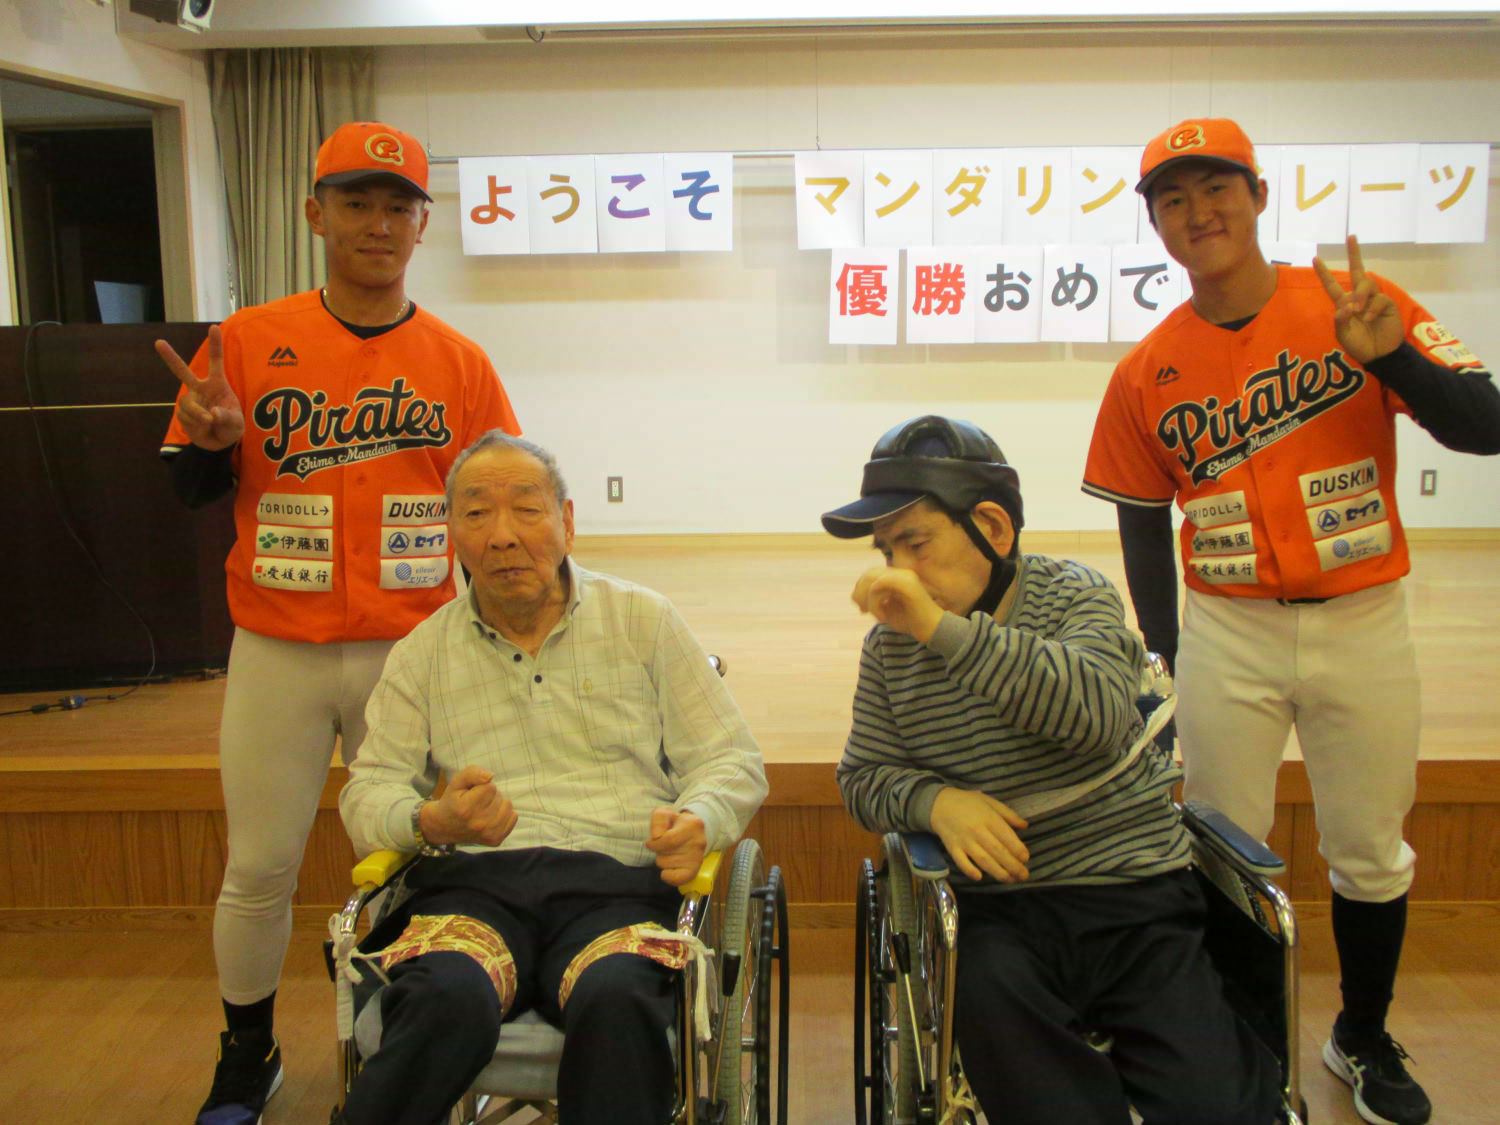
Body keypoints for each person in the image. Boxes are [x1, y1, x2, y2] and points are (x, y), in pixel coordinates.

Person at [1082, 117, 1500, 1125]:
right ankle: (1250, 1048)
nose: (1198, 213)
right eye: (1173, 198)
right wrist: (1166, 653)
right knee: (1224, 844)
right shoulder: (1147, 368)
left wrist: (1393, 363)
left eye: (1216, 188)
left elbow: (1486, 427)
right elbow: (1142, 520)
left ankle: (1362, 1033)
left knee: (1370, 846)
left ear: (1259, 196)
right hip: (1230, 630)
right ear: (1155, 223)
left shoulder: (1355, 303)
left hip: (1364, 616)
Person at [155, 121, 522, 1125]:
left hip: (412, 652)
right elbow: (189, 487)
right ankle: (247, 1056)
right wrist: (215, 443)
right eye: (356, 202)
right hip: (278, 649)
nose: (378, 222)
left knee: (420, 858)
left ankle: (410, 1042)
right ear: (315, 214)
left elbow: (497, 509)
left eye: (398, 206)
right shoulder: (245, 341)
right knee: (260, 865)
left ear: (423, 225)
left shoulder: (458, 361)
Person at [826, 415, 1280, 1125]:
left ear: (992, 527)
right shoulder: (890, 650)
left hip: (1133, 897)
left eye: (916, 543)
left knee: (1216, 1107)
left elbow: (1094, 714)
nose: (896, 571)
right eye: (887, 551)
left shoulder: (1074, 595)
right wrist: (937, 802)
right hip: (997, 912)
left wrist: (942, 632)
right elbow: (862, 776)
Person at [333, 430, 768, 1125]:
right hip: (473, 891)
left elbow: (730, 759)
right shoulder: (422, 652)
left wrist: (700, 819)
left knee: (618, 997)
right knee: (444, 997)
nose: (502, 536)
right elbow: (367, 789)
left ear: (567, 521)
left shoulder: (643, 621)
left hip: (616, 888)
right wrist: (430, 820)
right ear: (453, 535)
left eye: (526, 509)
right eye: (477, 513)